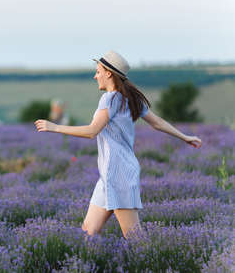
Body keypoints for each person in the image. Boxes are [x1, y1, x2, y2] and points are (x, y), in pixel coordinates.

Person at [34, 50, 202, 240]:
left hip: (120, 174)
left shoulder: (110, 99)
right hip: (108, 176)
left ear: (109, 73)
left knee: (135, 239)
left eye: (98, 71)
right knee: (88, 233)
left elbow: (92, 131)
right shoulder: (131, 98)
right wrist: (184, 136)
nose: (95, 76)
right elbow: (158, 122)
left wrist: (55, 127)